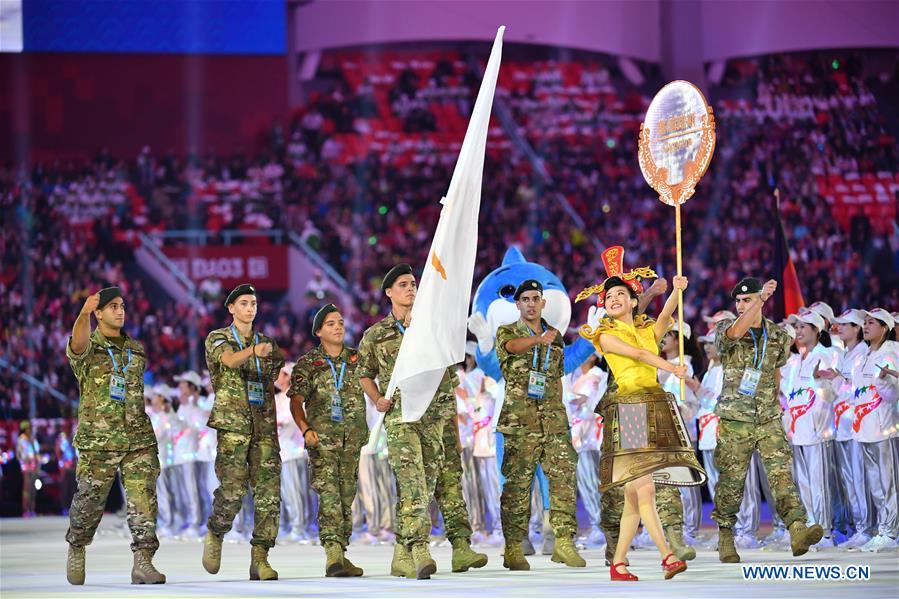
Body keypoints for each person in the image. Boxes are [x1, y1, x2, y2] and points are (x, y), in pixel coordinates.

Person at [577, 246, 704, 581]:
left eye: (622, 294)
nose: (614, 298)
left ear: (634, 302)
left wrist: (677, 291)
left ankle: (619, 563)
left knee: (635, 495)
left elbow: (663, 319)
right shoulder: (605, 334)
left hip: (653, 407)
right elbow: (636, 354)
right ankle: (668, 556)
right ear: (603, 306)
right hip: (631, 410)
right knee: (644, 488)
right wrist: (670, 366)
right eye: (609, 296)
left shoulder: (647, 330)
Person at [357, 264, 464, 580]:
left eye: (413, 283)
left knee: (426, 485)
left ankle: (400, 554)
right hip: (401, 418)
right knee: (413, 483)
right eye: (403, 284)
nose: (411, 288)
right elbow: (364, 373)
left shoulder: (431, 328)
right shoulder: (376, 335)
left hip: (432, 418)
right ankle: (420, 548)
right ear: (389, 292)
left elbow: (449, 374)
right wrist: (377, 399)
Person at [710, 277, 824, 563]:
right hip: (736, 417)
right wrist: (759, 299)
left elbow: (775, 371)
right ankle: (726, 535)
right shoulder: (726, 328)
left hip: (768, 416)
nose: (740, 305)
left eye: (746, 300)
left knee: (781, 474)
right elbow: (737, 332)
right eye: (737, 301)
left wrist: (775, 403)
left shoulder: (778, 336)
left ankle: (797, 528)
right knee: (732, 481)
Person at [64, 287, 165, 585]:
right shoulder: (89, 346)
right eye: (112, 307)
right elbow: (78, 343)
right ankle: (77, 546)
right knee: (89, 500)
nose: (120, 311)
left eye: (122, 306)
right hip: (99, 439)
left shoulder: (136, 349)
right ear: (98, 313)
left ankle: (143, 562)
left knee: (144, 500)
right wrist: (83, 313)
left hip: (138, 438)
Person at [495, 279, 586, 571]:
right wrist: (537, 340)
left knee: (563, 480)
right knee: (518, 487)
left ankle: (564, 542)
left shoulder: (555, 336)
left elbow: (560, 373)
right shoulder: (507, 331)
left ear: (543, 302)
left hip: (554, 421)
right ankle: (513, 547)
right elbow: (511, 347)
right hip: (520, 423)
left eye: (536, 298)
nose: (531, 303)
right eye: (526, 299)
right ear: (518, 304)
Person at [202, 283, 285, 581]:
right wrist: (252, 350)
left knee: (268, 496)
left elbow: (278, 368)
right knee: (232, 491)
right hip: (233, 427)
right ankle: (216, 530)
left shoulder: (268, 343)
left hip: (264, 428)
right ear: (231, 308)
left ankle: (260, 558)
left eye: (254, 303)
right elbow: (228, 360)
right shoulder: (218, 338)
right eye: (244, 303)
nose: (250, 308)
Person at [288, 304, 368, 576]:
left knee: (347, 497)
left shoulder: (359, 359)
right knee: (330, 496)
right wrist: (305, 428)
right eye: (331, 323)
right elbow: (296, 401)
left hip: (352, 438)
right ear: (319, 331)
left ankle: (341, 554)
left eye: (341, 322)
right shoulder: (308, 364)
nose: (338, 327)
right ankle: (332, 552)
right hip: (322, 440)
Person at [816, 309, 872, 548]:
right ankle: (858, 528)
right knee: (849, 482)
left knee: (860, 481)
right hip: (842, 427)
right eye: (838, 324)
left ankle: (867, 528)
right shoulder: (846, 355)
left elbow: (857, 390)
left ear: (856, 329)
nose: (839, 328)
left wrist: (837, 379)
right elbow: (837, 392)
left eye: (845, 325)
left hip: (856, 427)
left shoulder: (862, 353)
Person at [783, 309, 837, 548]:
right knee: (803, 484)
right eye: (797, 327)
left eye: (805, 326)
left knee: (819, 485)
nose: (799, 331)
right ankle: (811, 528)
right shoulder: (797, 360)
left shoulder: (824, 355)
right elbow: (790, 396)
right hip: (798, 432)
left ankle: (825, 532)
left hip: (817, 433)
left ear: (817, 330)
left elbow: (832, 393)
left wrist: (822, 381)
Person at [847, 309, 898, 552]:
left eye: (871, 323)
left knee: (888, 483)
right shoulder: (865, 355)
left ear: (884, 328)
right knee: (875, 483)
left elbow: (891, 394)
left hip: (883, 428)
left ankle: (891, 531)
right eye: (865, 322)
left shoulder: (891, 353)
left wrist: (884, 381)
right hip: (863, 429)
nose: (866, 326)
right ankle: (882, 529)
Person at [17, 421, 40, 518]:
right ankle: (25, 510)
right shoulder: (21, 439)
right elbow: (19, 454)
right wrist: (24, 463)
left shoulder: (33, 440)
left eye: (30, 428)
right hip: (26, 467)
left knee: (33, 489)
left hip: (34, 466)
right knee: (26, 489)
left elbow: (37, 453)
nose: (29, 430)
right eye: (27, 428)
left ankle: (32, 509)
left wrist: (37, 463)